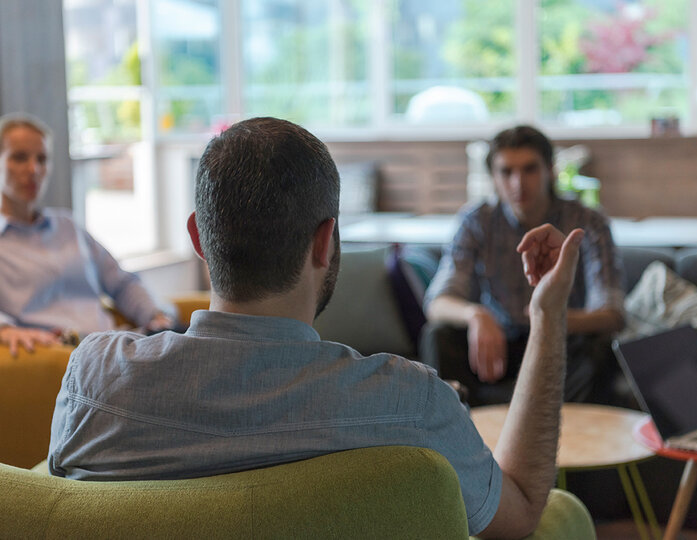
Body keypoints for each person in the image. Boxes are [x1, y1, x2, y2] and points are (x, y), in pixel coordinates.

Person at [50, 117, 583, 538]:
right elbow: (522, 512)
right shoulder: (411, 404)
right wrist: (546, 317)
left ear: (198, 236)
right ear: (325, 241)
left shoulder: (94, 383)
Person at [423, 125, 625, 406]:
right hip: (500, 347)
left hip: (564, 340)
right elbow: (437, 303)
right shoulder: (476, 220)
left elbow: (612, 314)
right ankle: (458, 437)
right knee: (439, 335)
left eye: (530, 169)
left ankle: (572, 442)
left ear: (550, 170)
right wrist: (476, 315)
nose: (518, 183)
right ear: (493, 177)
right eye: (506, 172)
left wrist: (548, 316)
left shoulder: (589, 221)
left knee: (601, 346)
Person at [0, 113, 174, 356]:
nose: (34, 169)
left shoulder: (68, 226)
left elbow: (122, 283)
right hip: (62, 362)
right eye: (19, 157)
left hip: (118, 350)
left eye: (42, 159)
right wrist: (4, 329)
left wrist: (156, 315)